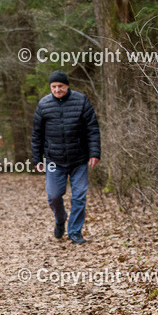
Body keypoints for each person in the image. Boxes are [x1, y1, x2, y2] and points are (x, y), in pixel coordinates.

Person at [30, 70, 101, 244]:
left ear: (67, 85)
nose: (57, 90)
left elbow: (92, 129)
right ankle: (60, 219)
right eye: (53, 87)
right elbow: (37, 134)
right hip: (54, 160)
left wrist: (94, 153)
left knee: (79, 196)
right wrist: (37, 159)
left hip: (79, 158)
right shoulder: (44, 104)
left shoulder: (81, 101)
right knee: (53, 196)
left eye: (60, 86)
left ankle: (75, 231)